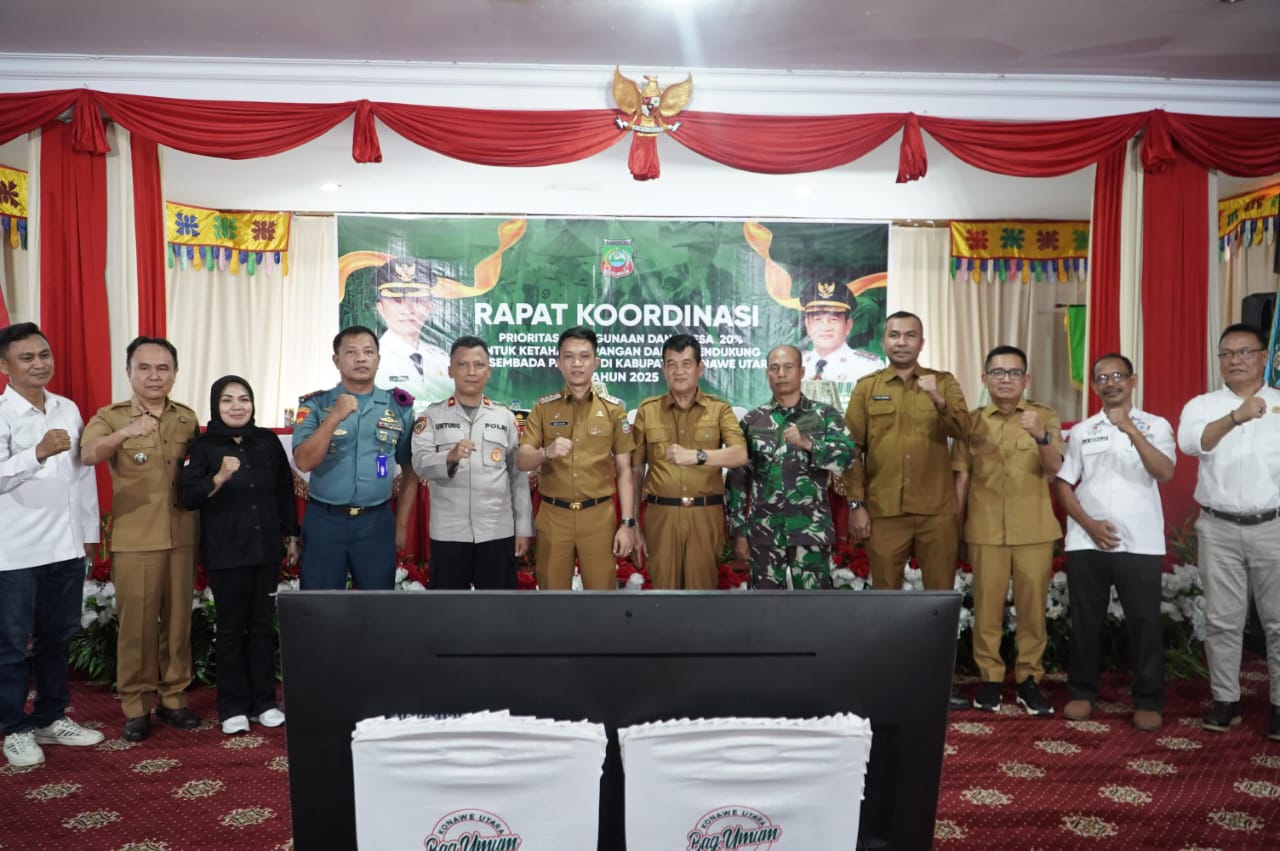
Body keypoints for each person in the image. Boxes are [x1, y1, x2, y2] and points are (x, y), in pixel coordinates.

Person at [843, 311, 969, 708]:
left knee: (938, 601)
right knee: (887, 601)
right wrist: (857, 504)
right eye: (894, 335)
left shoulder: (943, 382)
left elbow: (964, 430)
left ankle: (939, 681)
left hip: (936, 511)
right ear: (883, 342)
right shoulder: (867, 388)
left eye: (910, 335)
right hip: (884, 511)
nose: (901, 342)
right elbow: (851, 452)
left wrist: (938, 400)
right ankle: (888, 679)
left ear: (921, 342)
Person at [81, 336, 201, 742]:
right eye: (144, 368)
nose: (154, 376)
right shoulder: (111, 416)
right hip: (136, 539)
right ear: (129, 372)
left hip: (182, 535)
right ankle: (136, 705)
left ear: (175, 373)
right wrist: (127, 432)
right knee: (138, 627)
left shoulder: (186, 418)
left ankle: (174, 698)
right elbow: (88, 453)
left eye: (163, 368)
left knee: (178, 624)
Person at [0, 323, 104, 766]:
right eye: (27, 357)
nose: (39, 363)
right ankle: (13, 728)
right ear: (5, 366)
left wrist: (89, 534)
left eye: (44, 354)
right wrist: (36, 453)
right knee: (10, 644)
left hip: (64, 546)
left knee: (57, 637)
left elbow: (82, 474)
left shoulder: (67, 408)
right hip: (14, 552)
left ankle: (50, 717)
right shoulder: (2, 413)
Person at [1054, 353, 1175, 732]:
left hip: (1140, 542)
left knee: (1144, 622)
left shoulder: (1155, 425)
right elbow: (1063, 483)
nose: (1110, 383)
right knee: (1085, 620)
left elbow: (1165, 472)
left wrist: (1131, 430)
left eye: (1118, 376)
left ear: (1132, 380)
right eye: (1102, 378)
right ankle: (1082, 692)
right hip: (1087, 541)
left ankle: (1148, 699)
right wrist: (1089, 525)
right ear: (1094, 386)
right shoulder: (1083, 430)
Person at [1177, 323, 1280, 741]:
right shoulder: (1202, 405)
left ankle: (1279, 705)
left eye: (1245, 352)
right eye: (1227, 354)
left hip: (1273, 527)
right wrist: (1237, 417)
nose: (1235, 360)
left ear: (1264, 357)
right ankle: (1225, 700)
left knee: (1278, 623)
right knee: (1222, 621)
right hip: (1218, 527)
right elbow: (1192, 445)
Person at [179, 375, 298, 735]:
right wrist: (218, 478)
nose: (236, 406)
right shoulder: (204, 446)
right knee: (231, 630)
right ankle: (231, 706)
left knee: (261, 627)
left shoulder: (267, 442)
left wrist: (292, 535)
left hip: (265, 550)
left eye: (243, 399)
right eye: (227, 400)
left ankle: (264, 702)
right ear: (216, 405)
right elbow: (187, 496)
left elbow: (284, 490)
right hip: (226, 552)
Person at [952, 346, 1063, 716]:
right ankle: (991, 679)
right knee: (987, 609)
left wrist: (1041, 437)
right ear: (984, 378)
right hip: (985, 529)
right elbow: (962, 480)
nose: (1006, 380)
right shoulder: (970, 422)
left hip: (1034, 529)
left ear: (1026, 379)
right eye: (998, 373)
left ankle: (1029, 678)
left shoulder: (1044, 416)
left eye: (1014, 373)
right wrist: (956, 530)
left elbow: (1055, 468)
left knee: (1033, 610)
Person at [293, 326, 419, 590]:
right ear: (336, 360)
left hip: (376, 522)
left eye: (368, 352)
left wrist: (401, 524)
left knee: (376, 606)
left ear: (378, 359)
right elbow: (304, 461)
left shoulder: (399, 407)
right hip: (325, 521)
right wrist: (333, 418)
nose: (361, 358)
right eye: (351, 352)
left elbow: (410, 471)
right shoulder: (315, 405)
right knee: (321, 605)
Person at [517, 326, 636, 590]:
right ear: (558, 363)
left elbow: (625, 470)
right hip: (553, 516)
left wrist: (627, 523)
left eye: (584, 356)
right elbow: (522, 460)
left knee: (601, 597)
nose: (577, 364)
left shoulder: (614, 410)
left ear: (596, 362)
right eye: (569, 356)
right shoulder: (543, 408)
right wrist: (546, 453)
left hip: (598, 516)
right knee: (552, 596)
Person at [726, 345, 855, 589]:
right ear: (767, 374)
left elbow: (847, 457)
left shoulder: (824, 415)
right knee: (766, 607)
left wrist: (809, 444)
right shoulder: (753, 420)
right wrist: (739, 531)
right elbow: (738, 480)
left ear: (801, 371)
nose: (781, 374)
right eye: (774, 368)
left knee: (813, 607)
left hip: (811, 531)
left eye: (788, 367)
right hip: (765, 533)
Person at [411, 336, 532, 589]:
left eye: (479, 365)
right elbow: (420, 463)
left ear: (489, 371)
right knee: (449, 608)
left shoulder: (504, 417)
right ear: (450, 371)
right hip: (449, 533)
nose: (471, 372)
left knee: (498, 607)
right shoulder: (431, 416)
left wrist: (523, 528)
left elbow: (518, 477)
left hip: (497, 532)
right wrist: (449, 457)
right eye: (463, 365)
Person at [631, 334, 747, 589]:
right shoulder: (648, 410)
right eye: (671, 364)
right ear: (663, 369)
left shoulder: (719, 409)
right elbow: (635, 471)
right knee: (662, 595)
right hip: (661, 516)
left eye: (686, 363)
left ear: (699, 368)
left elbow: (739, 454)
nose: (679, 371)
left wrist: (698, 456)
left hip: (704, 515)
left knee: (701, 594)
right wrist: (634, 524)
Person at [372, 257, 452, 415]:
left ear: (429, 307)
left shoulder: (442, 359)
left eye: (417, 300)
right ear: (380, 308)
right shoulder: (371, 361)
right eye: (397, 300)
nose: (407, 310)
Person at [798, 275, 884, 384]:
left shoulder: (869, 368)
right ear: (807, 325)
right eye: (817, 319)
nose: (825, 326)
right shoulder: (795, 366)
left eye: (834, 319)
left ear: (848, 325)